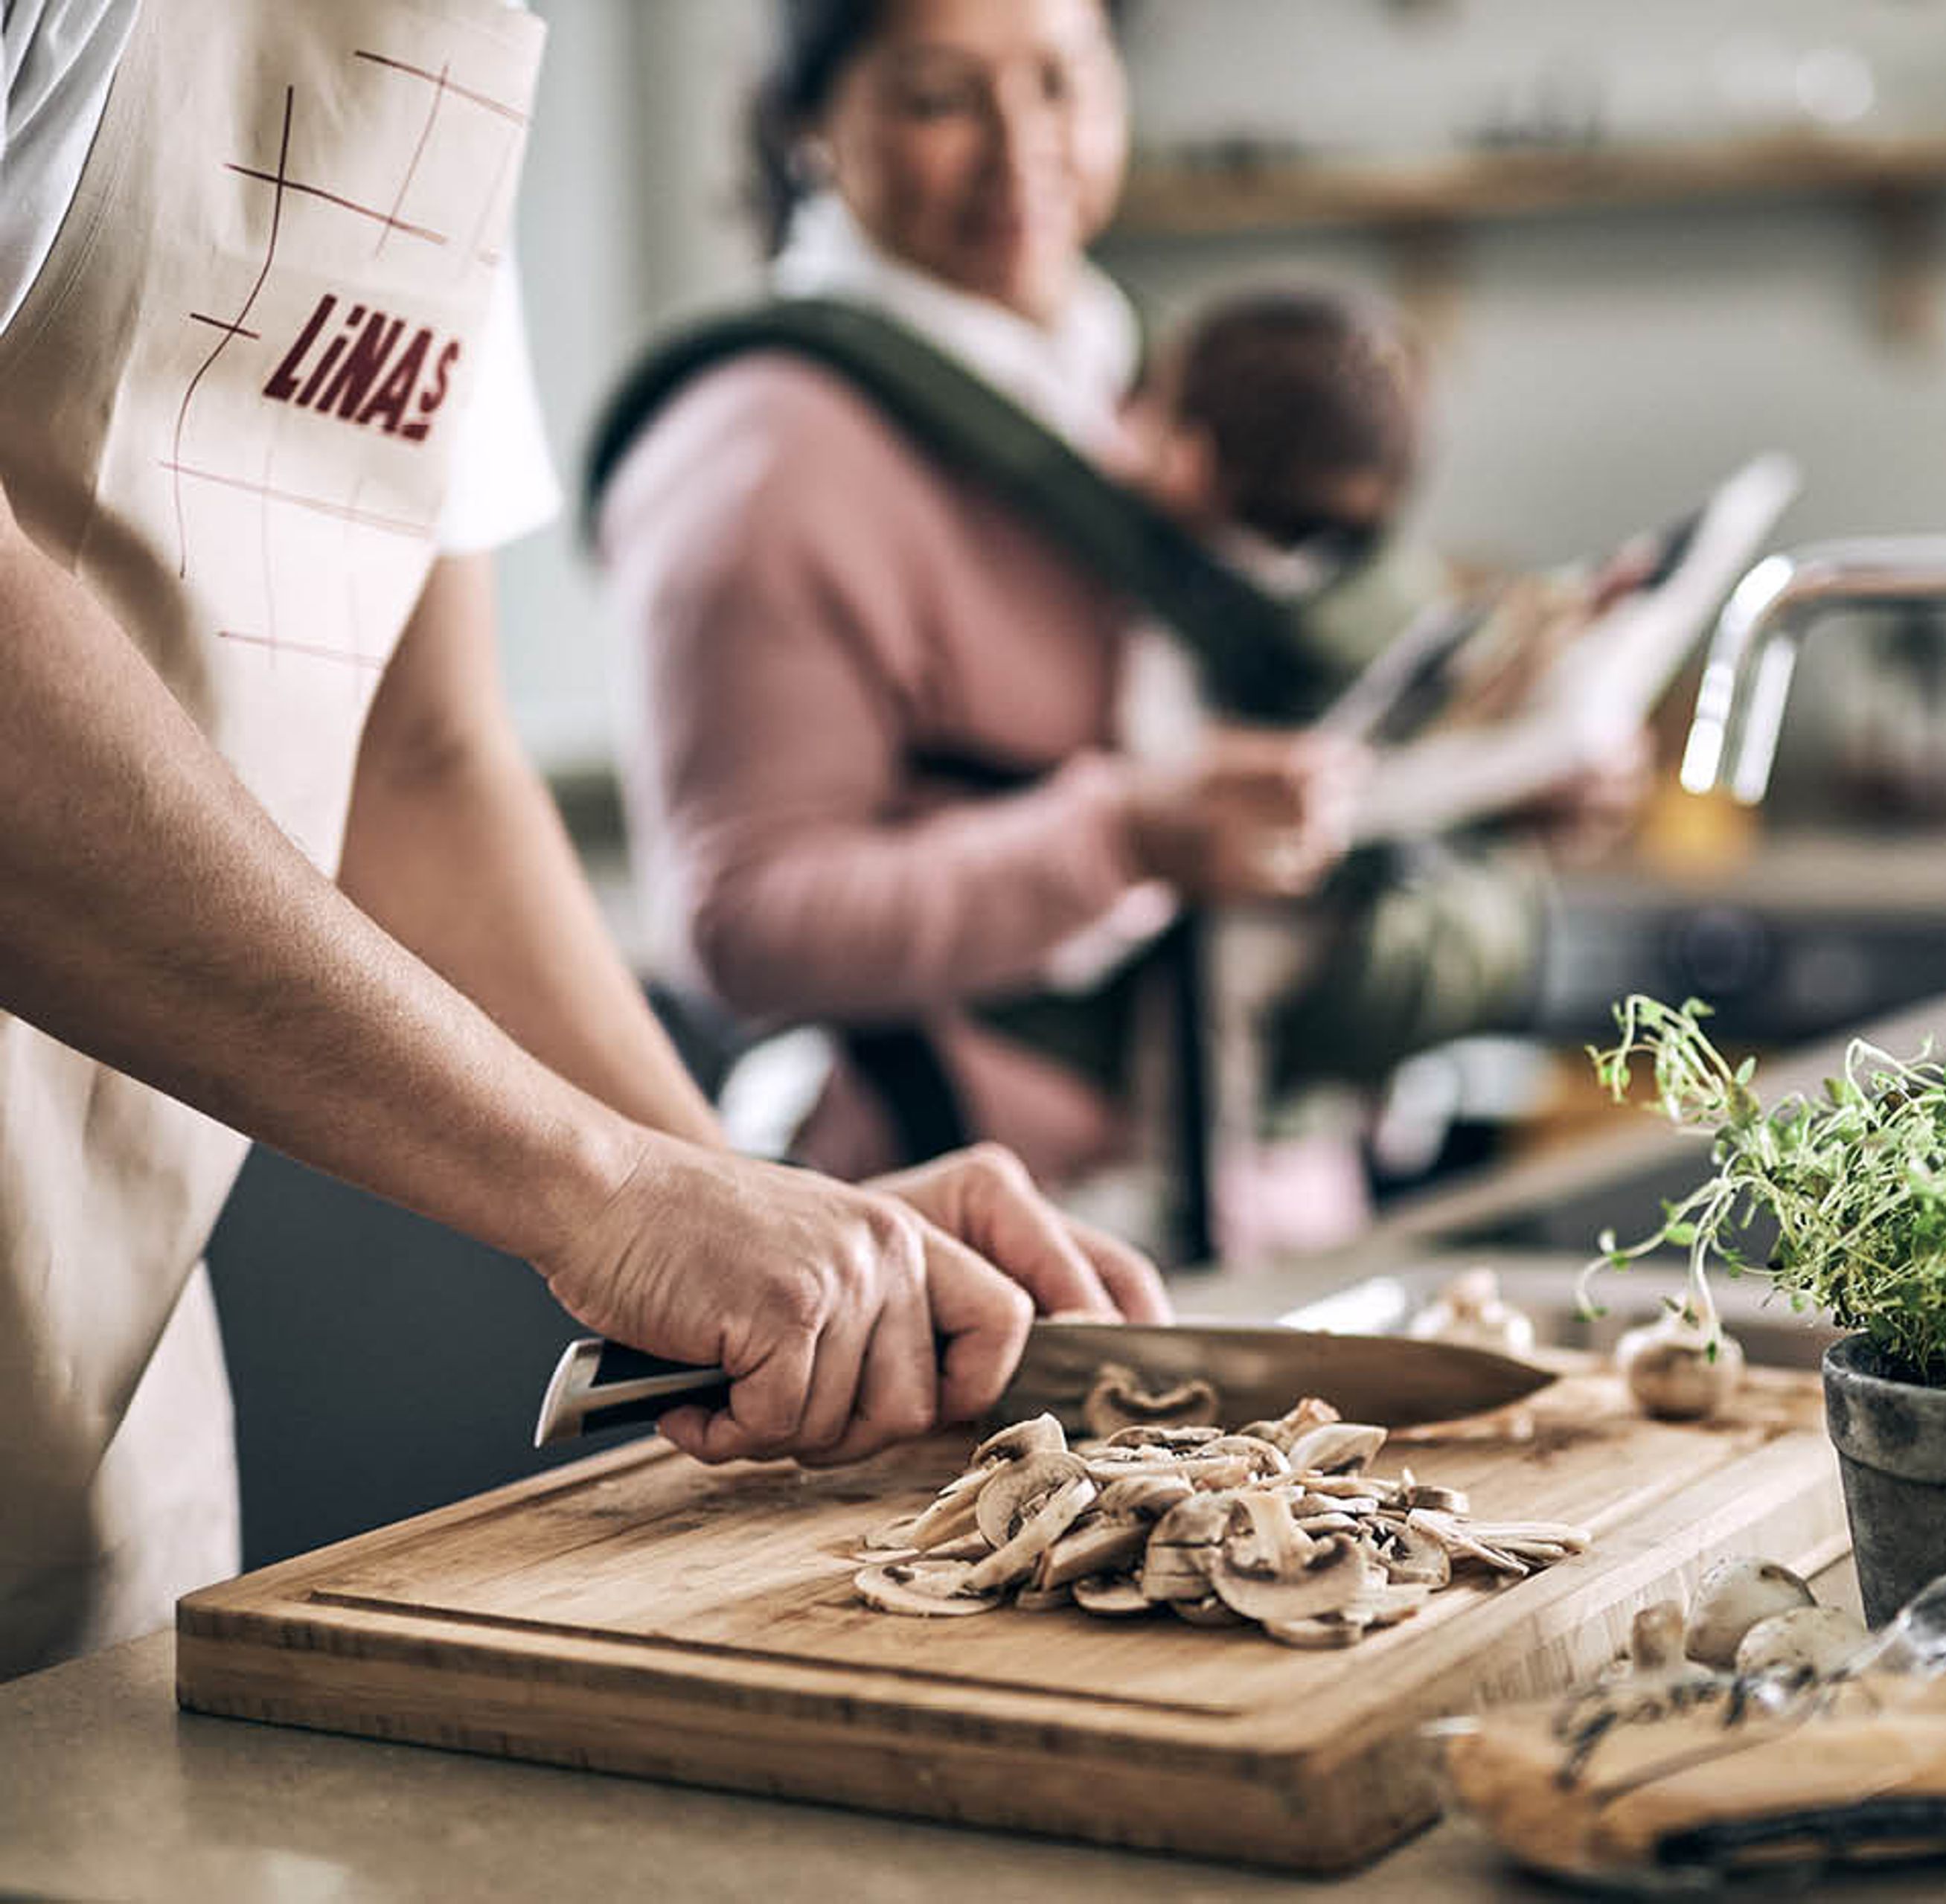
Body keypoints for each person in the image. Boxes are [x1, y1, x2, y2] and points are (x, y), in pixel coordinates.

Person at [0, 0, 1163, 1684]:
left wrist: (740, 1209)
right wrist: (599, 1188)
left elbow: (418, 752)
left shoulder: (447, 71)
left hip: (95, 1354)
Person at [598, 1, 1647, 1255]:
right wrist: (1126, 839)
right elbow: (740, 927)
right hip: (984, 1259)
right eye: (941, 96)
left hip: (1267, 1222)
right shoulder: (762, 452)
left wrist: (1489, 777)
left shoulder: (1137, 382)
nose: (1021, 144)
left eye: (1062, 82)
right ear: (810, 127)